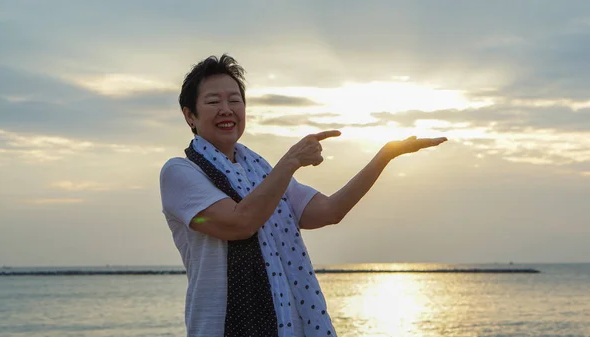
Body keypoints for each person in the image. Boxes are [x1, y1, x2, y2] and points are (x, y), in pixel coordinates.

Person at [159, 54, 447, 337]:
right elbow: (240, 223)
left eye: (235, 100)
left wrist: (386, 155)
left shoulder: (261, 173)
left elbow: (330, 210)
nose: (226, 109)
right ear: (190, 115)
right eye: (213, 102)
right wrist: (291, 161)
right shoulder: (180, 172)